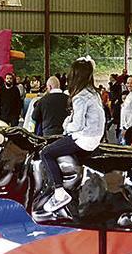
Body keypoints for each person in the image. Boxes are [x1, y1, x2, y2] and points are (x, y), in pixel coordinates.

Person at [40, 58, 106, 212]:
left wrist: (66, 126)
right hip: (97, 136)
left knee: (46, 153)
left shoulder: (80, 96)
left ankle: (59, 192)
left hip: (85, 138)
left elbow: (77, 125)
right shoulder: (93, 92)